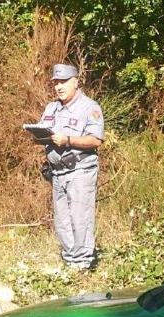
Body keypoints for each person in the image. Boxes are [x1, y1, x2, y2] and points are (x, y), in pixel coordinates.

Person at [39, 64, 104, 270]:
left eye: (63, 82)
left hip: (80, 170)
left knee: (80, 217)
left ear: (76, 81)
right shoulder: (51, 108)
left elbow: (95, 140)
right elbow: (44, 131)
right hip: (57, 172)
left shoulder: (89, 107)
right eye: (56, 83)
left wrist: (67, 139)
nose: (59, 87)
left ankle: (84, 263)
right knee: (62, 220)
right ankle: (70, 261)